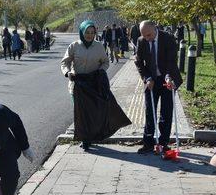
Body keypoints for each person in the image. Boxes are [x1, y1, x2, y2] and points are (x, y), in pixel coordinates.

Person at [60, 20, 131, 151]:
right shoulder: (74, 46)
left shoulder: (98, 46)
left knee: (94, 112)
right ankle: (85, 139)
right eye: (87, 32)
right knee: (82, 113)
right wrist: (68, 72)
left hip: (94, 85)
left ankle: (93, 135)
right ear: (82, 32)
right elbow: (65, 63)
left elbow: (105, 62)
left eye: (92, 32)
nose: (89, 35)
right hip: (78, 86)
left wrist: (100, 72)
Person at [134, 21, 183, 154]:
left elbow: (171, 61)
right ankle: (148, 143)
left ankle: (163, 143)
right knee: (150, 111)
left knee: (166, 112)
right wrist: (147, 78)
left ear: (155, 29)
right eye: (144, 36)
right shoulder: (141, 41)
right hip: (151, 79)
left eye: (149, 35)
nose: (147, 38)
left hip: (168, 78)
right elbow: (138, 62)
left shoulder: (168, 38)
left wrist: (168, 77)